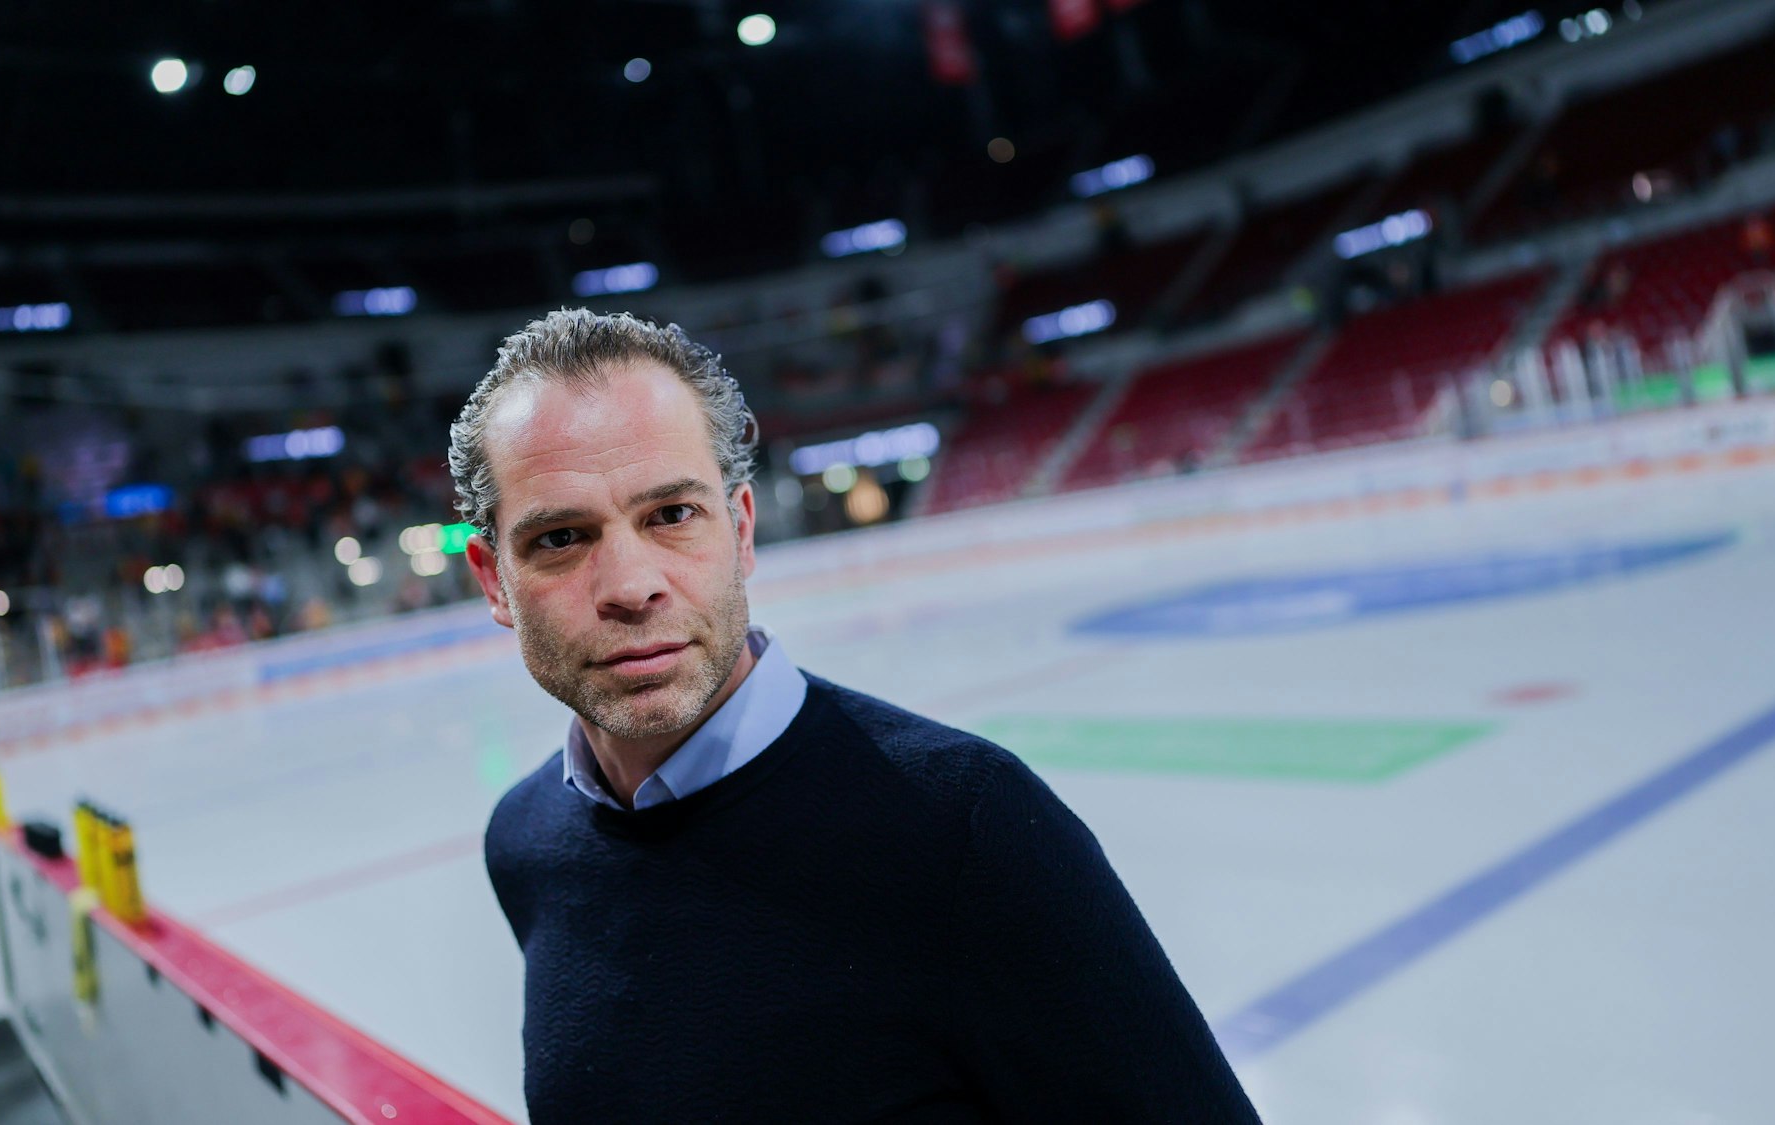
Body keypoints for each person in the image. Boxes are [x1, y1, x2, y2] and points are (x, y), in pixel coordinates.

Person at [450, 308, 1258, 1124]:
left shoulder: (967, 829)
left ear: (740, 529)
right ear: (494, 582)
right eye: (560, 537)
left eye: (671, 515)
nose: (630, 584)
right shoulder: (523, 840)